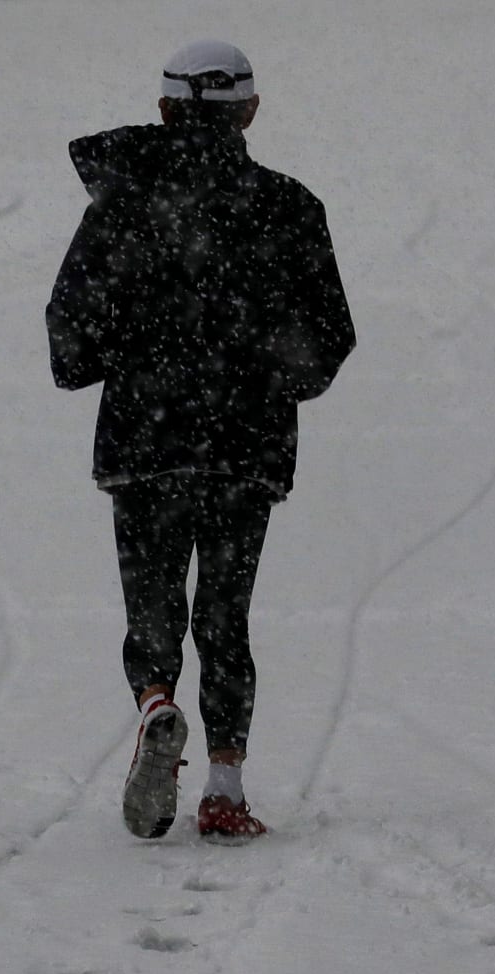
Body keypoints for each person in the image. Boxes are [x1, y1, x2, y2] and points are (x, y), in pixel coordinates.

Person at [47, 38, 355, 841]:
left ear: (163, 109)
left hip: (144, 442)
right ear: (250, 111)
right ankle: (224, 787)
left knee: (153, 605)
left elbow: (69, 326)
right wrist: (268, 374)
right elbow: (328, 337)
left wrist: (124, 359)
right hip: (245, 447)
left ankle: (156, 704)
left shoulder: (122, 205)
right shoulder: (290, 208)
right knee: (226, 614)